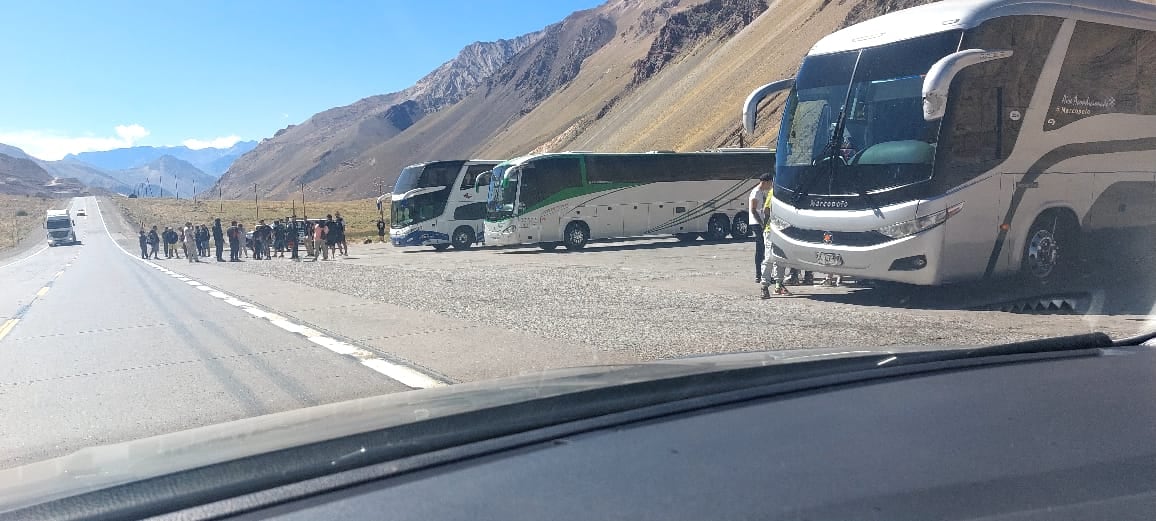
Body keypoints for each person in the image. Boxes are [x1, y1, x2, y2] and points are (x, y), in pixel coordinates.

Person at [760, 181, 790, 299]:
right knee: (769, 258)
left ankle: (778, 285)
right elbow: (766, 210)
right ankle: (764, 286)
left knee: (781, 258)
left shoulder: (786, 192)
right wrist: (767, 224)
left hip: (782, 230)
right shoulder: (774, 192)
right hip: (771, 229)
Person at [749, 173, 772, 284]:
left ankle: (761, 274)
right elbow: (753, 209)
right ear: (766, 182)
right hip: (757, 223)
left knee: (762, 249)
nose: (771, 186)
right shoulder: (756, 192)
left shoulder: (761, 192)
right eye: (770, 183)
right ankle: (759, 274)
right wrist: (762, 224)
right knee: (761, 249)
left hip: (759, 223)